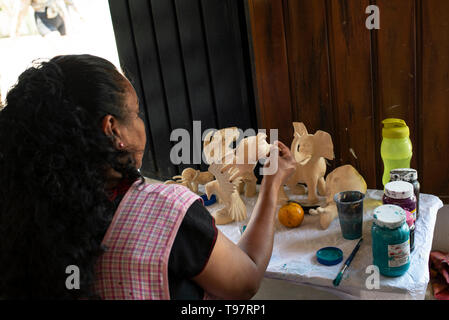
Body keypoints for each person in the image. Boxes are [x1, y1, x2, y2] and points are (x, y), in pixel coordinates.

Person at [0, 54, 296, 300]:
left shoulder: (23, 214)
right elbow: (245, 281)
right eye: (137, 113)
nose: (142, 124)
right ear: (112, 129)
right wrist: (272, 182)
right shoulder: (166, 212)